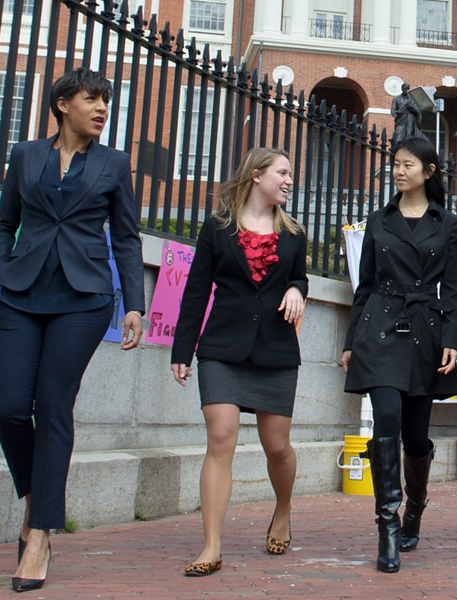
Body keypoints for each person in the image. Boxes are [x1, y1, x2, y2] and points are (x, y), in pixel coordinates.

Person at [0, 69, 145, 593]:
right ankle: (40, 496)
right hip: (21, 291)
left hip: (83, 298)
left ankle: (38, 532)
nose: (101, 108)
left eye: (106, 101)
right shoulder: (25, 156)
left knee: (53, 405)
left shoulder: (114, 164)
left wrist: (134, 306)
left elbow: (126, 237)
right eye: (91, 99)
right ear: (61, 104)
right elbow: (4, 223)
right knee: (8, 406)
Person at [169, 148, 309, 577]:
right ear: (256, 175)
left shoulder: (294, 232)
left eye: (290, 175)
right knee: (221, 439)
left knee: (277, 446)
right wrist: (182, 349)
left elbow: (298, 276)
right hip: (223, 348)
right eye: (282, 172)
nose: (289, 180)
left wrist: (297, 290)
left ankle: (282, 508)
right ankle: (211, 545)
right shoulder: (217, 228)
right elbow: (196, 291)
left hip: (275, 351)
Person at [340, 137, 457, 573]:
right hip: (380, 328)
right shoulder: (379, 220)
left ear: (428, 171)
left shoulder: (447, 224)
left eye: (407, 164)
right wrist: (350, 341)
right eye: (395, 164)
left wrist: (452, 337)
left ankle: (415, 505)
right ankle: (387, 526)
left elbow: (454, 288)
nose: (398, 170)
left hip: (425, 333)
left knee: (414, 435)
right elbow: (366, 285)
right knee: (386, 421)